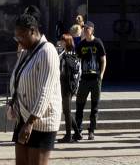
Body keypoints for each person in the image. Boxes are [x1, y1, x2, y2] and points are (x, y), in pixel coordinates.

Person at [8, 10, 61, 163]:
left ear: (32, 31)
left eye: (21, 36)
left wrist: (30, 122)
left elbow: (45, 91)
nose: (19, 41)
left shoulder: (47, 51)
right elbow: (18, 79)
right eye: (16, 37)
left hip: (40, 122)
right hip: (23, 118)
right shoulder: (27, 52)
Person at [72, 20, 107, 142]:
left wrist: (101, 74)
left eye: (88, 28)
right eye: (84, 28)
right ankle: (78, 130)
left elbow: (103, 59)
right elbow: (76, 60)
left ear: (92, 30)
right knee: (79, 105)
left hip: (95, 78)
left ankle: (91, 130)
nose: (86, 30)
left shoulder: (98, 42)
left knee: (94, 106)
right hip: (84, 79)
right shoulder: (81, 44)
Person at [58, 32, 83, 143]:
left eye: (62, 40)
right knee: (66, 110)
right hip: (71, 86)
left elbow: (62, 72)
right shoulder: (74, 55)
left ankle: (69, 135)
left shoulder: (65, 56)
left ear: (66, 42)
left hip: (66, 86)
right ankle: (77, 133)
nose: (61, 42)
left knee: (67, 111)